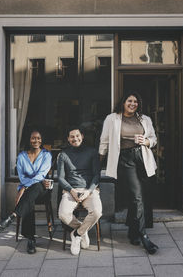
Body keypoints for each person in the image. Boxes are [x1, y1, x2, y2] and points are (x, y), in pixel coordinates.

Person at [99, 91, 159, 254]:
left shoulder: (145, 119)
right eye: (130, 101)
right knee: (137, 196)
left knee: (139, 197)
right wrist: (98, 163)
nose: (133, 104)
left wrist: (146, 141)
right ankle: (143, 235)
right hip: (124, 160)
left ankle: (133, 233)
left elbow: (153, 139)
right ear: (123, 102)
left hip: (143, 159)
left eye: (136, 102)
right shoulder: (112, 119)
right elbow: (104, 141)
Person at [0, 129, 52, 254]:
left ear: (41, 140)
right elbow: (21, 177)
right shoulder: (21, 156)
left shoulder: (46, 155)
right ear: (29, 140)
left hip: (42, 192)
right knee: (29, 199)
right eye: (33, 138)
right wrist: (28, 186)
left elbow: (42, 174)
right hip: (29, 193)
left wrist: (25, 187)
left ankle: (13, 215)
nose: (36, 141)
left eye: (38, 138)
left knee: (37, 187)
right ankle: (31, 239)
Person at [57, 126, 102, 256]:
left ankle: (76, 234)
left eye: (77, 136)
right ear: (68, 139)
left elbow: (96, 175)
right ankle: (83, 229)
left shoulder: (92, 152)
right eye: (72, 136)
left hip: (89, 190)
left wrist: (89, 191)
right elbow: (60, 178)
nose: (75, 139)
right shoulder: (63, 155)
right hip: (71, 191)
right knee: (63, 214)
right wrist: (71, 191)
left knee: (97, 212)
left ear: (82, 136)